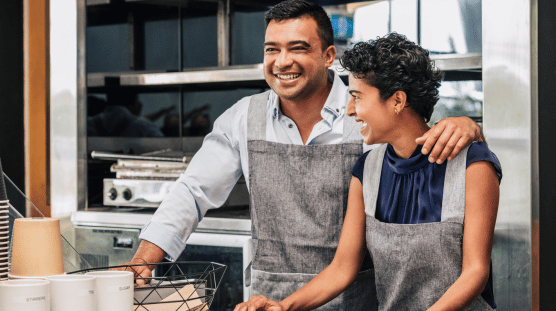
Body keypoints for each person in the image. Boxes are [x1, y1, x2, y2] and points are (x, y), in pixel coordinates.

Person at [120, 1, 483, 309]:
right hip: (272, 301)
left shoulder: (369, 115)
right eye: (271, 49)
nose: (282, 61)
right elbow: (193, 191)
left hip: (358, 301)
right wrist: (144, 260)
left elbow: (417, 138)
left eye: (297, 48)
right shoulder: (243, 118)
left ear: (328, 56)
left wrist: (469, 127)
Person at [234, 33, 501, 311]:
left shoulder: (473, 165)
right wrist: (284, 306)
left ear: (397, 101)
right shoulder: (367, 169)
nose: (349, 110)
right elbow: (342, 268)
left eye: (356, 97)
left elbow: (475, 273)